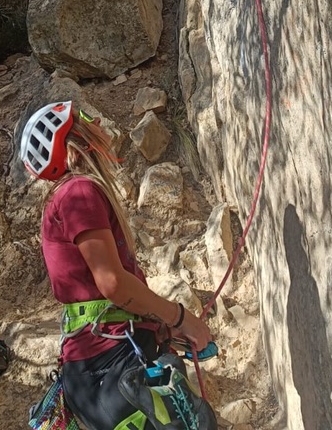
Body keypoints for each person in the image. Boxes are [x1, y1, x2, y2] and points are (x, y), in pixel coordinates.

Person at [20, 101, 218, 430]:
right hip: (110, 363)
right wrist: (181, 318)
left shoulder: (65, 198)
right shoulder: (78, 193)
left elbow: (102, 296)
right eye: (83, 118)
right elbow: (113, 284)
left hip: (98, 368)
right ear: (73, 144)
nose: (95, 119)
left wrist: (161, 327)